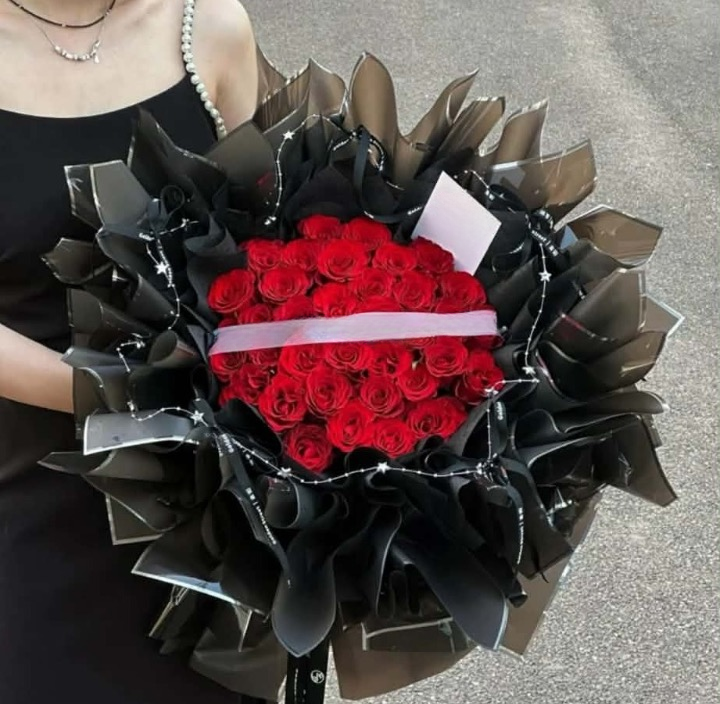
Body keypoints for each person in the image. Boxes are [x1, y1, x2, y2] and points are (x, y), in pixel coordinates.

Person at [0, 1, 269, 701]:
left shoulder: (208, 27)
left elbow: (270, 237)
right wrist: (122, 394)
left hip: (211, 505)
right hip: (31, 493)